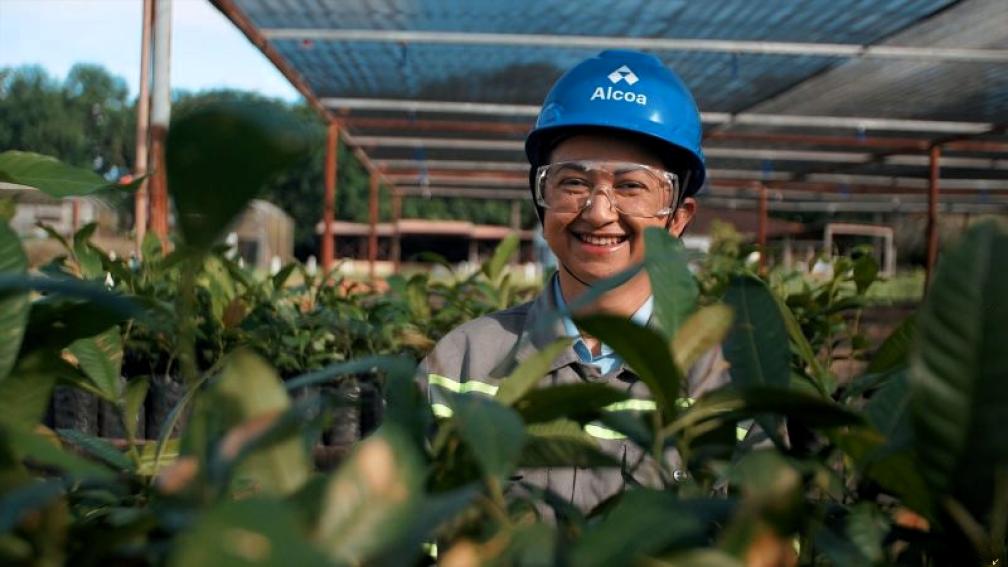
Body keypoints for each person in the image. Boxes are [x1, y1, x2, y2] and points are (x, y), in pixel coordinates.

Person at [417, 50, 730, 513]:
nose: (599, 212)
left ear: (679, 217)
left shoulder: (724, 383)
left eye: (631, 186)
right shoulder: (462, 366)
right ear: (541, 200)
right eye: (573, 183)